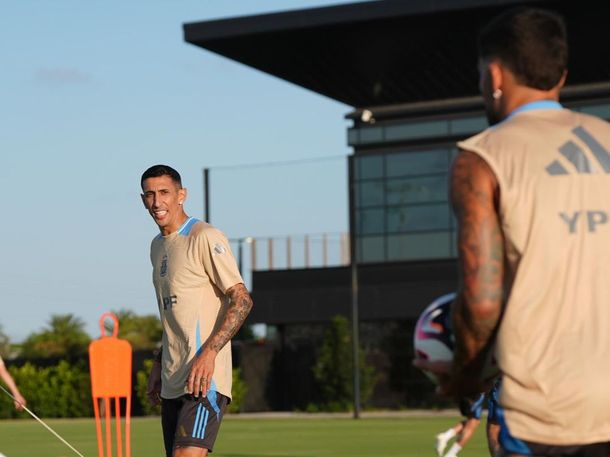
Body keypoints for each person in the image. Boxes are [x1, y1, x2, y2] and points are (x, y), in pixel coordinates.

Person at [446, 6, 610, 457]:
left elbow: (481, 302)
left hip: (543, 416)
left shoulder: (481, 158)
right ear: (561, 76)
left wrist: (464, 377)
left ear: (494, 75)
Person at [141, 164, 253, 457]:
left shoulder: (204, 236)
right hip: (172, 379)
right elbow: (175, 316)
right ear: (143, 200)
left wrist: (209, 353)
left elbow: (242, 300)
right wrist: (159, 362)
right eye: (150, 194)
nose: (157, 202)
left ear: (181, 195)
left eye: (164, 192)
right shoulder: (157, 246)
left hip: (204, 380)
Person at [435, 393, 486, 457]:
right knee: (473, 421)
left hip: (465, 393)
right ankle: (451, 453)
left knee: (471, 421)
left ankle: (446, 436)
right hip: (475, 393)